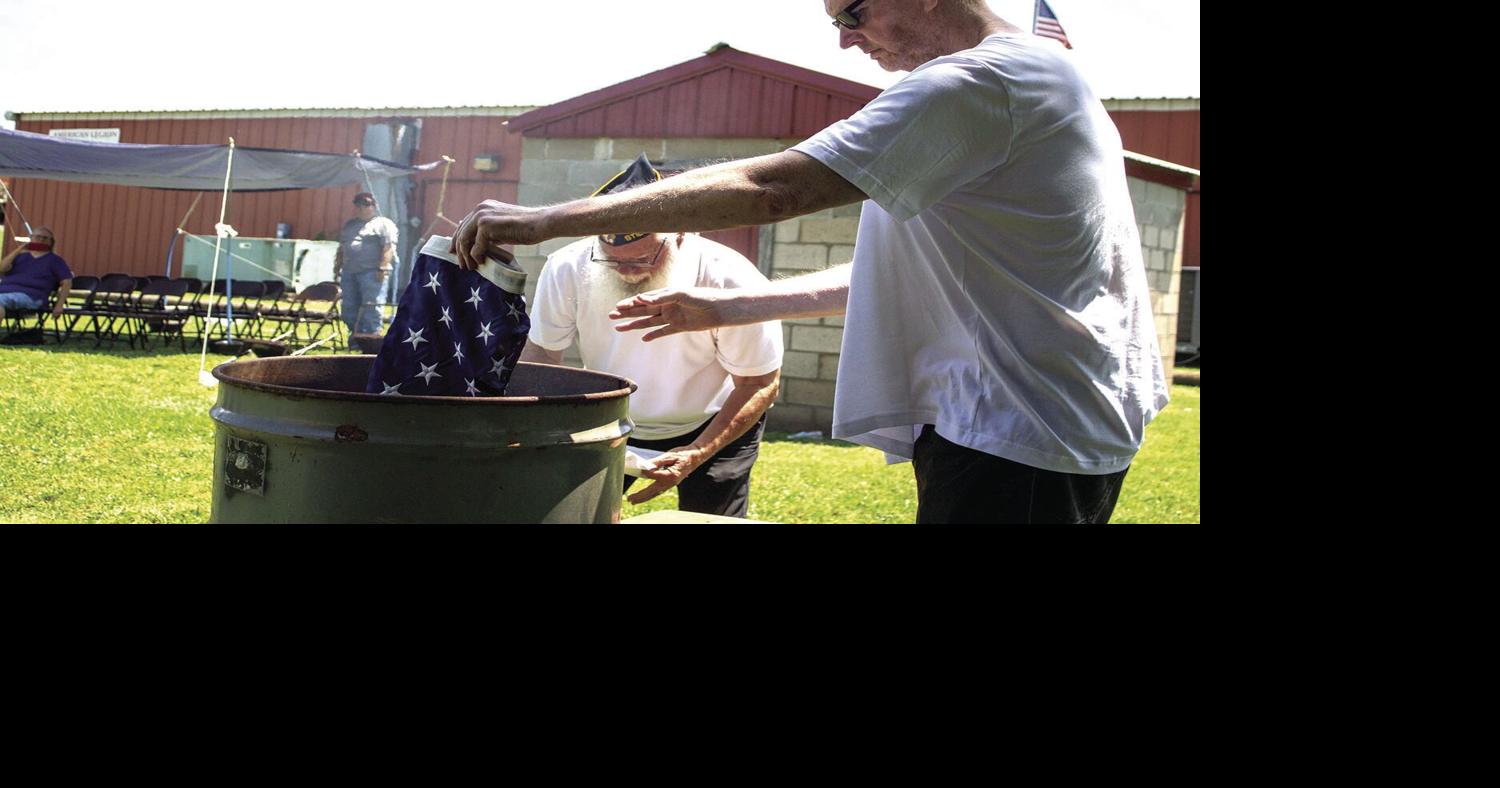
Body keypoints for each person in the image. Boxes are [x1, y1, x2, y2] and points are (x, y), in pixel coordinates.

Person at [451, 0, 1169, 524]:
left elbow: (775, 188)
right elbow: (913, 279)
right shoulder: (1037, 74)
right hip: (1038, 422)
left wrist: (543, 218)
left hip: (1018, 437)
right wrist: (731, 310)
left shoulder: (977, 83)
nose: (847, 44)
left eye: (853, 14)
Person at [519, 155, 783, 516]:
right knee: (572, 513)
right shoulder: (567, 266)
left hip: (713, 419)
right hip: (610, 419)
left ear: (680, 233)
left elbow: (760, 383)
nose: (627, 272)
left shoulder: (731, 278)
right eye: (612, 260)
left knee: (710, 521)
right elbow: (543, 356)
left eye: (643, 258)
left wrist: (698, 452)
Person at [334, 191, 399, 338]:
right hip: (349, 272)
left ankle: (371, 339)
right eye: (358, 204)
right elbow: (342, 247)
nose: (362, 208)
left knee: (371, 307)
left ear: (374, 206)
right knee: (349, 308)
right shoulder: (350, 225)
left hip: (372, 272)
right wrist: (337, 266)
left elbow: (388, 247)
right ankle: (355, 337)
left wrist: (382, 268)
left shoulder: (383, 224)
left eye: (366, 204)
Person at [0, 226, 72, 325]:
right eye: (37, 237)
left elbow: (67, 282)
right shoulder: (19, 257)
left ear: (51, 242)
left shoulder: (55, 261)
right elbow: (2, 268)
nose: (41, 240)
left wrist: (59, 305)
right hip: (4, 290)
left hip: (32, 296)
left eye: (45, 238)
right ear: (31, 238)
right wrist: (19, 249)